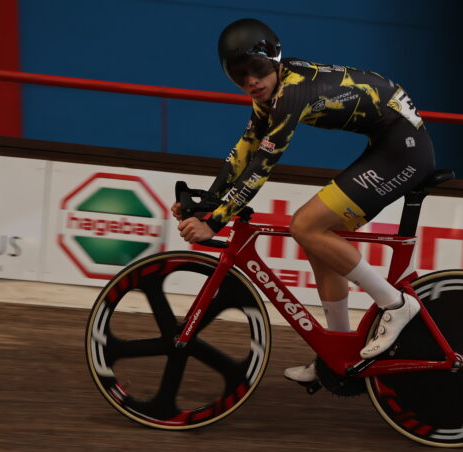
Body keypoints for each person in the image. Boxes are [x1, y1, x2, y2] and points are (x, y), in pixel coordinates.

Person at [172, 18, 436, 384]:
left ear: (275, 60)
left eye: (258, 69)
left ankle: (396, 304)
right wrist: (209, 201)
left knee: (305, 226)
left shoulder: (292, 93)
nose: (251, 80)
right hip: (388, 142)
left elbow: (262, 166)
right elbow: (245, 149)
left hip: (404, 151)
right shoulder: (272, 91)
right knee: (319, 242)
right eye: (240, 74)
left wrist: (215, 221)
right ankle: (338, 354)